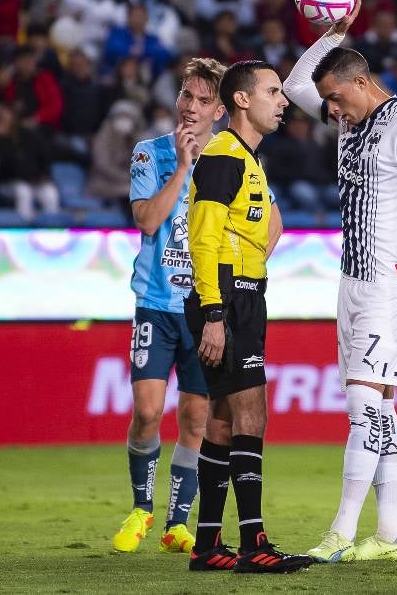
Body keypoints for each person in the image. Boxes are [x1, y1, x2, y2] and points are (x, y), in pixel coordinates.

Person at [284, 0, 397, 564]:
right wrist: (332, 34)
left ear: (361, 82)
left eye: (336, 98)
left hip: (393, 284)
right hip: (351, 280)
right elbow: (293, 84)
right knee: (379, 406)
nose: (330, 110)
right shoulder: (346, 115)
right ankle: (393, 532)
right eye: (327, 101)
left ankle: (340, 531)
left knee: (362, 402)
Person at [183, 60, 308, 573]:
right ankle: (253, 541)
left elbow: (264, 229)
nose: (282, 101)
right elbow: (203, 238)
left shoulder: (245, 159)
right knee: (251, 412)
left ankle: (208, 543)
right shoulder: (223, 158)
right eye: (273, 91)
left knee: (223, 417)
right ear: (241, 100)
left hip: (241, 294)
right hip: (226, 299)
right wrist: (215, 311)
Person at [111, 57, 229, 555]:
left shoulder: (231, 160)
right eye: (187, 96)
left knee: (196, 419)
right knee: (147, 410)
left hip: (204, 309)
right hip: (157, 304)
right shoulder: (149, 153)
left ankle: (176, 524)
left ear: (220, 110)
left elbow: (265, 226)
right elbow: (147, 220)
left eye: (204, 100)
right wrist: (183, 167)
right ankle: (141, 507)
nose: (192, 107)